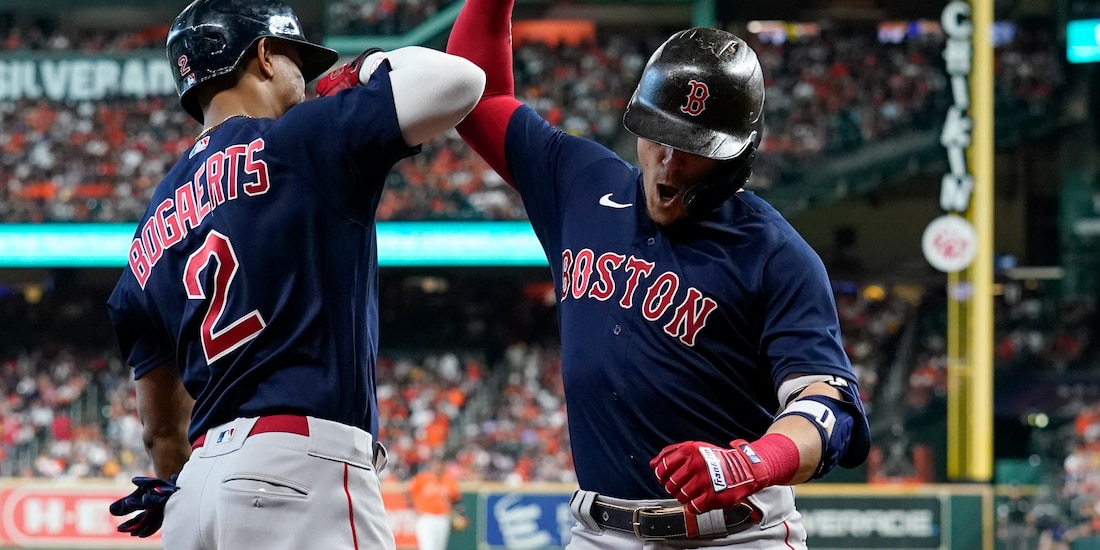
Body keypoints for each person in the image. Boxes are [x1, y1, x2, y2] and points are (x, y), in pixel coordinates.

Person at [447, 4, 870, 548]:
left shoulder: (776, 254)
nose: (668, 161)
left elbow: (829, 410)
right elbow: (476, 97)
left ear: (735, 158)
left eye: (692, 148)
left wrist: (751, 462)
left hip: (735, 536)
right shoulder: (581, 183)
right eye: (657, 133)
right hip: (599, 533)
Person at [104, 0, 484, 548]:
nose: (305, 80)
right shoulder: (299, 138)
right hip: (300, 470)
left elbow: (161, 433)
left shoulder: (149, 225)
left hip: (195, 495)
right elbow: (461, 80)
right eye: (296, 62)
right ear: (264, 55)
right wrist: (358, 72)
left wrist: (187, 486)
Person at [407, 456, 465, 550]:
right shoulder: (422, 478)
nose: (438, 467)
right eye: (436, 464)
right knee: (428, 547)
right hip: (426, 518)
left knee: (439, 548)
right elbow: (409, 494)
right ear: (432, 465)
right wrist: (414, 509)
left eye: (441, 464)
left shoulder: (449, 480)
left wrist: (461, 515)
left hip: (443, 518)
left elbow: (456, 500)